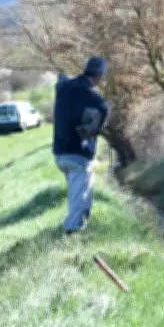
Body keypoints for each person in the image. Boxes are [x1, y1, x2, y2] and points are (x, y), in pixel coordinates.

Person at [53, 57, 111, 234]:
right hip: (78, 153)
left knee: (83, 191)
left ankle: (82, 225)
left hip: (60, 153)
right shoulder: (90, 94)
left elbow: (60, 81)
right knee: (79, 197)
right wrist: (94, 129)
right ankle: (72, 231)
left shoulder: (65, 87)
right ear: (100, 76)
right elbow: (105, 109)